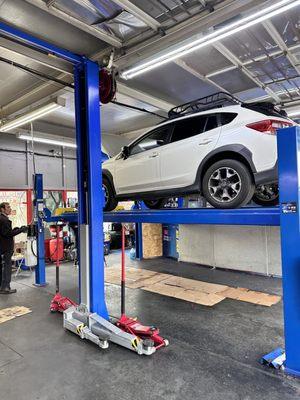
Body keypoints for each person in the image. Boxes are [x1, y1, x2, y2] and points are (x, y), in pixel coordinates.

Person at [0, 202, 27, 294]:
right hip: (6, 247)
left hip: (2, 247)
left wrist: (16, 229)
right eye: (8, 207)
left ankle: (2, 287)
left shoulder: (2, 219)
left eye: (10, 207)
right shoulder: (4, 220)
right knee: (7, 267)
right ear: (2, 209)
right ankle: (5, 288)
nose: (10, 209)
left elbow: (5, 232)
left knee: (3, 267)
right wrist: (21, 230)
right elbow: (7, 234)